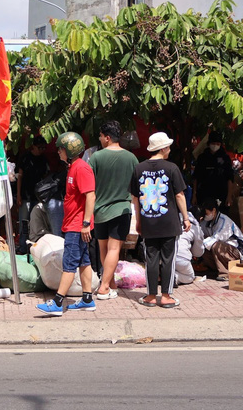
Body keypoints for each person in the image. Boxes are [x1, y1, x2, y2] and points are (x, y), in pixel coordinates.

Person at [36, 132, 96, 316]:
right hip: (75, 224)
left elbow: (90, 196)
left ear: (69, 151)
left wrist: (85, 223)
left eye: (60, 149)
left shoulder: (81, 168)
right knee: (84, 262)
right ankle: (87, 299)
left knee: (69, 264)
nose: (58, 153)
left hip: (77, 226)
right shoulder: (73, 167)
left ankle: (57, 303)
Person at [131, 132, 191, 308]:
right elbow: (180, 195)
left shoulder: (139, 168)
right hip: (168, 222)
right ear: (163, 148)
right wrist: (186, 217)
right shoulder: (172, 168)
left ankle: (150, 296)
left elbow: (135, 198)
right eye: (168, 146)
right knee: (168, 259)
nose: (170, 149)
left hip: (148, 220)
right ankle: (165, 296)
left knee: (150, 258)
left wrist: (138, 220)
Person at [89, 121, 138, 300]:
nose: (100, 139)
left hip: (100, 210)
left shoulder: (96, 158)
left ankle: (110, 283)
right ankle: (104, 287)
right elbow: (136, 187)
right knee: (114, 248)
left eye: (101, 136)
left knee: (103, 247)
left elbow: (90, 187)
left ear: (107, 137)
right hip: (121, 209)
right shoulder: (131, 158)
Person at [16, 136, 49, 254]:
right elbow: (19, 177)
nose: (41, 150)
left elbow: (45, 177)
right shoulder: (25, 158)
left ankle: (34, 248)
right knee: (24, 222)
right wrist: (19, 195)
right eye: (39, 147)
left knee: (36, 223)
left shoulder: (43, 159)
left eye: (43, 148)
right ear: (33, 146)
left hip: (38, 196)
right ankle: (22, 247)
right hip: (25, 195)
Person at [200, 198, 243, 281]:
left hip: (237, 251)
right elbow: (200, 234)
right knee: (202, 247)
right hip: (226, 252)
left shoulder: (224, 220)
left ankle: (225, 273)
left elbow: (216, 238)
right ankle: (214, 269)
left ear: (214, 210)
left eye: (206, 213)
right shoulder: (206, 221)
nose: (205, 215)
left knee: (216, 245)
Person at [192, 131, 234, 214]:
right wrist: (194, 195)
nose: (215, 146)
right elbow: (196, 177)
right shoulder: (202, 158)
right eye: (213, 143)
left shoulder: (225, 158)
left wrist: (229, 196)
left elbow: (230, 178)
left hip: (221, 195)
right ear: (209, 143)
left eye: (218, 143)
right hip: (204, 195)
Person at [175, 211, 204, 285]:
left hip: (164, 256)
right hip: (181, 257)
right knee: (190, 277)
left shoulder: (172, 223)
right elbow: (198, 253)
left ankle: (160, 275)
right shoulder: (195, 228)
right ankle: (173, 277)